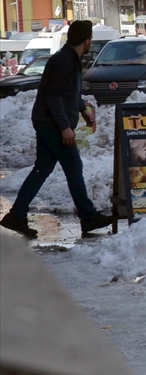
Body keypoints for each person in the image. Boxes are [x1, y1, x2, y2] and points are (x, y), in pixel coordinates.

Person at [1, 21, 110, 239]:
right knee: (73, 165)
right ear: (87, 41)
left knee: (42, 168)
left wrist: (82, 110)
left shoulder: (70, 59)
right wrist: (65, 128)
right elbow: (53, 97)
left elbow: (68, 92)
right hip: (51, 124)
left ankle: (17, 214)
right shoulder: (64, 61)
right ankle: (88, 217)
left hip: (47, 121)